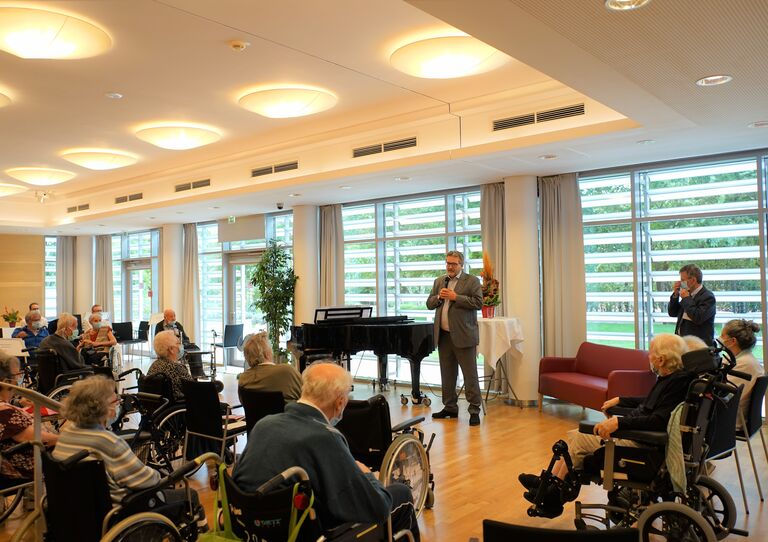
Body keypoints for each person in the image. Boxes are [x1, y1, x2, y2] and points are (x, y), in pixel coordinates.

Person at [233, 362, 419, 540]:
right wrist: (368, 475)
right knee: (401, 494)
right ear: (340, 402)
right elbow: (377, 507)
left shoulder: (264, 424)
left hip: (249, 525)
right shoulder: (325, 437)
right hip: (304, 532)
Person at [519, 334, 692, 517]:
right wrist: (621, 400)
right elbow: (650, 403)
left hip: (640, 441)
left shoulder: (673, 383)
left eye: (651, 353)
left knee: (578, 438)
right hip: (637, 434)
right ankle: (548, 483)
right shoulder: (673, 379)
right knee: (576, 436)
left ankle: (554, 494)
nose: (649, 357)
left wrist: (619, 421)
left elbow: (658, 420)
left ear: (661, 359)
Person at [52, 376, 207, 529]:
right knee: (190, 495)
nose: (119, 404)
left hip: (77, 512)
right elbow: (147, 480)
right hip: (119, 513)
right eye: (116, 401)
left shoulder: (65, 436)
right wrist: (157, 475)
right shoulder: (108, 442)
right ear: (101, 407)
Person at [425, 250, 483, 426]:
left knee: (470, 376)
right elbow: (429, 303)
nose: (450, 266)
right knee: (447, 375)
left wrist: (456, 297)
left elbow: (478, 303)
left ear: (461, 265)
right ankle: (450, 407)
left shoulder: (472, 281)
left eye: (453, 264)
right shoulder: (439, 281)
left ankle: (474, 410)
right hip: (444, 336)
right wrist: (438, 298)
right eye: (448, 263)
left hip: (464, 336)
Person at [0, 352, 58, 479]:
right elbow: (40, 438)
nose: (19, 379)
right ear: (5, 382)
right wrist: (69, 439)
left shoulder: (6, 408)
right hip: (29, 465)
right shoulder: (5, 413)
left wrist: (18, 402)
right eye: (17, 375)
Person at [238, 331, 302, 403]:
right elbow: (305, 394)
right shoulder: (286, 371)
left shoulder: (243, 379)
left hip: (257, 414)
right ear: (267, 354)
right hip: (288, 413)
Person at [719, 319, 762, 422]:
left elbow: (724, 395)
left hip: (731, 419)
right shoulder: (743, 358)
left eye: (722, 335)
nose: (719, 338)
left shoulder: (744, 364)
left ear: (733, 341)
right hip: (734, 413)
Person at [668, 264, 716, 345]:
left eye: (682, 280)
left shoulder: (708, 297)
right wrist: (675, 295)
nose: (680, 283)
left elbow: (698, 317)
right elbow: (672, 313)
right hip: (682, 344)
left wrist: (686, 298)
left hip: (698, 347)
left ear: (693, 280)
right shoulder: (687, 294)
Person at [146, 330, 195, 402]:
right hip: (178, 407)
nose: (181, 346)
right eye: (178, 343)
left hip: (157, 407)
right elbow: (194, 389)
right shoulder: (176, 367)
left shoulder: (154, 365)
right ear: (171, 349)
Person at [154, 309, 204, 377]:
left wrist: (183, 342)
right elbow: (157, 341)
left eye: (174, 316)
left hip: (180, 344)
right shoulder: (159, 326)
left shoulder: (178, 325)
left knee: (195, 348)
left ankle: (198, 373)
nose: (174, 318)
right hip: (168, 347)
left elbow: (186, 338)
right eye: (171, 316)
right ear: (165, 317)